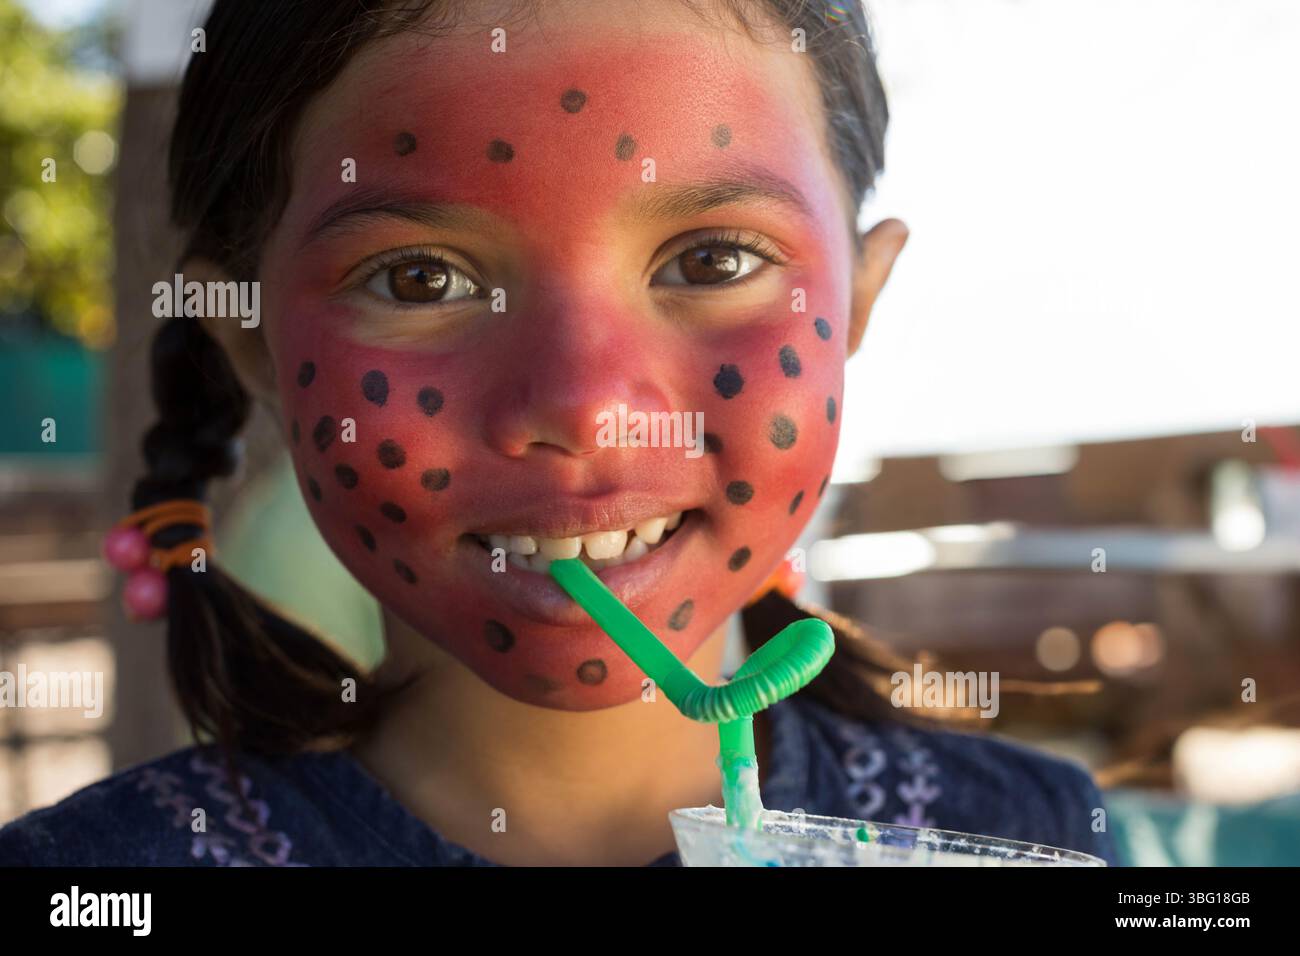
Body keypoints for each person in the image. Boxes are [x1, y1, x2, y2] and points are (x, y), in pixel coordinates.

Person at [0, 0, 1118, 867]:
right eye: (421, 276)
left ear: (858, 302)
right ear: (251, 348)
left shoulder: (1037, 835)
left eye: (712, 260)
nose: (588, 407)